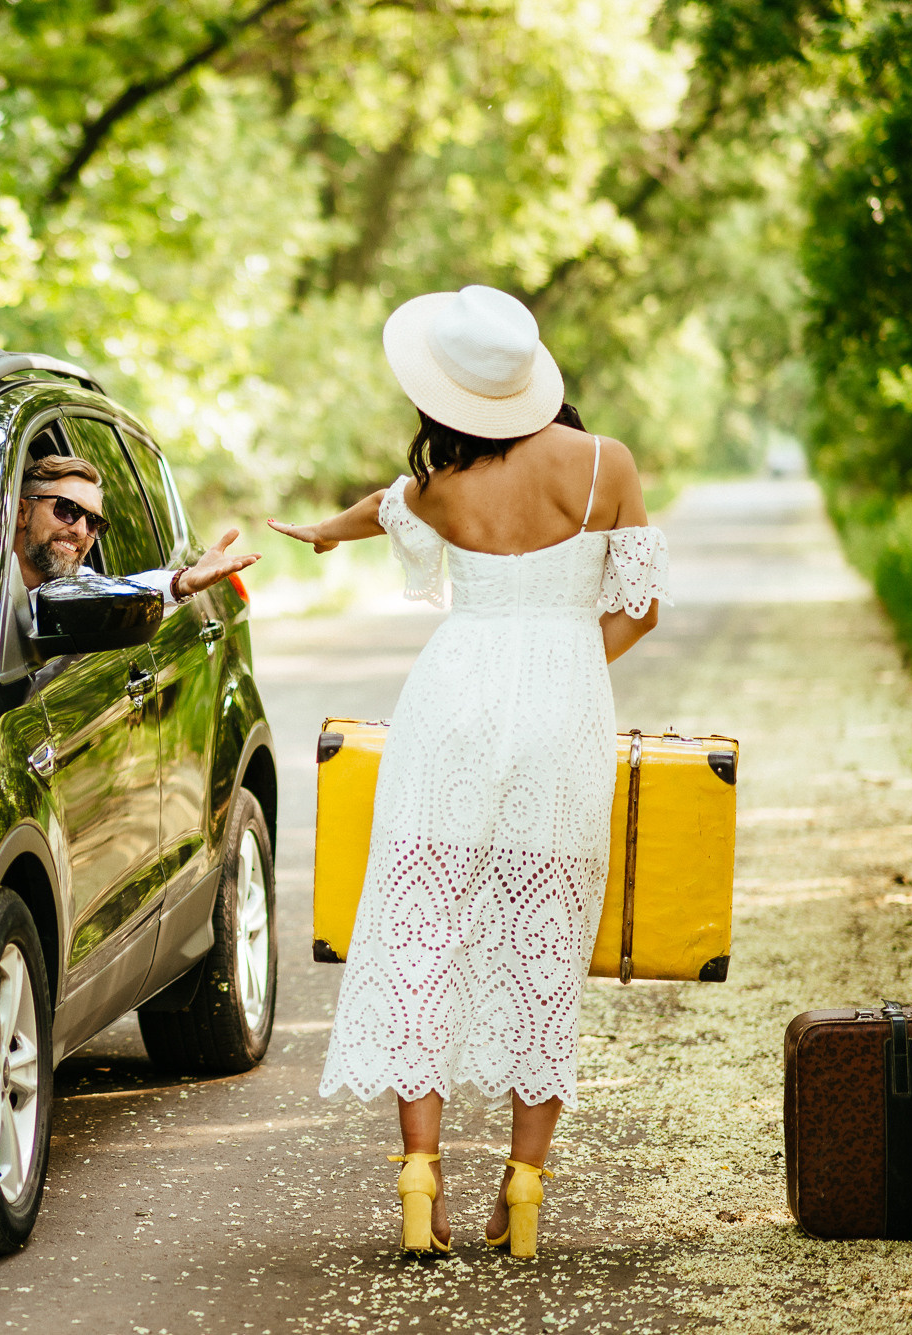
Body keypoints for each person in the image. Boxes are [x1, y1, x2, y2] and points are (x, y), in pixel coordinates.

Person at [267, 285, 668, 1259]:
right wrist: (564, 670)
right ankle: (522, 1193)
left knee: (422, 930)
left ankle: (419, 1178)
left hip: (448, 705)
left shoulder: (439, 485)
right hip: (562, 717)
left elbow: (378, 509)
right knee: (544, 938)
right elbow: (642, 606)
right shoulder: (604, 464)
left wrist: (320, 530)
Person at [13, 454, 255, 601]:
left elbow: (127, 591)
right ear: (22, 512)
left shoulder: (79, 589)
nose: (80, 531)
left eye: (93, 522)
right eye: (67, 510)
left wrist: (183, 583)